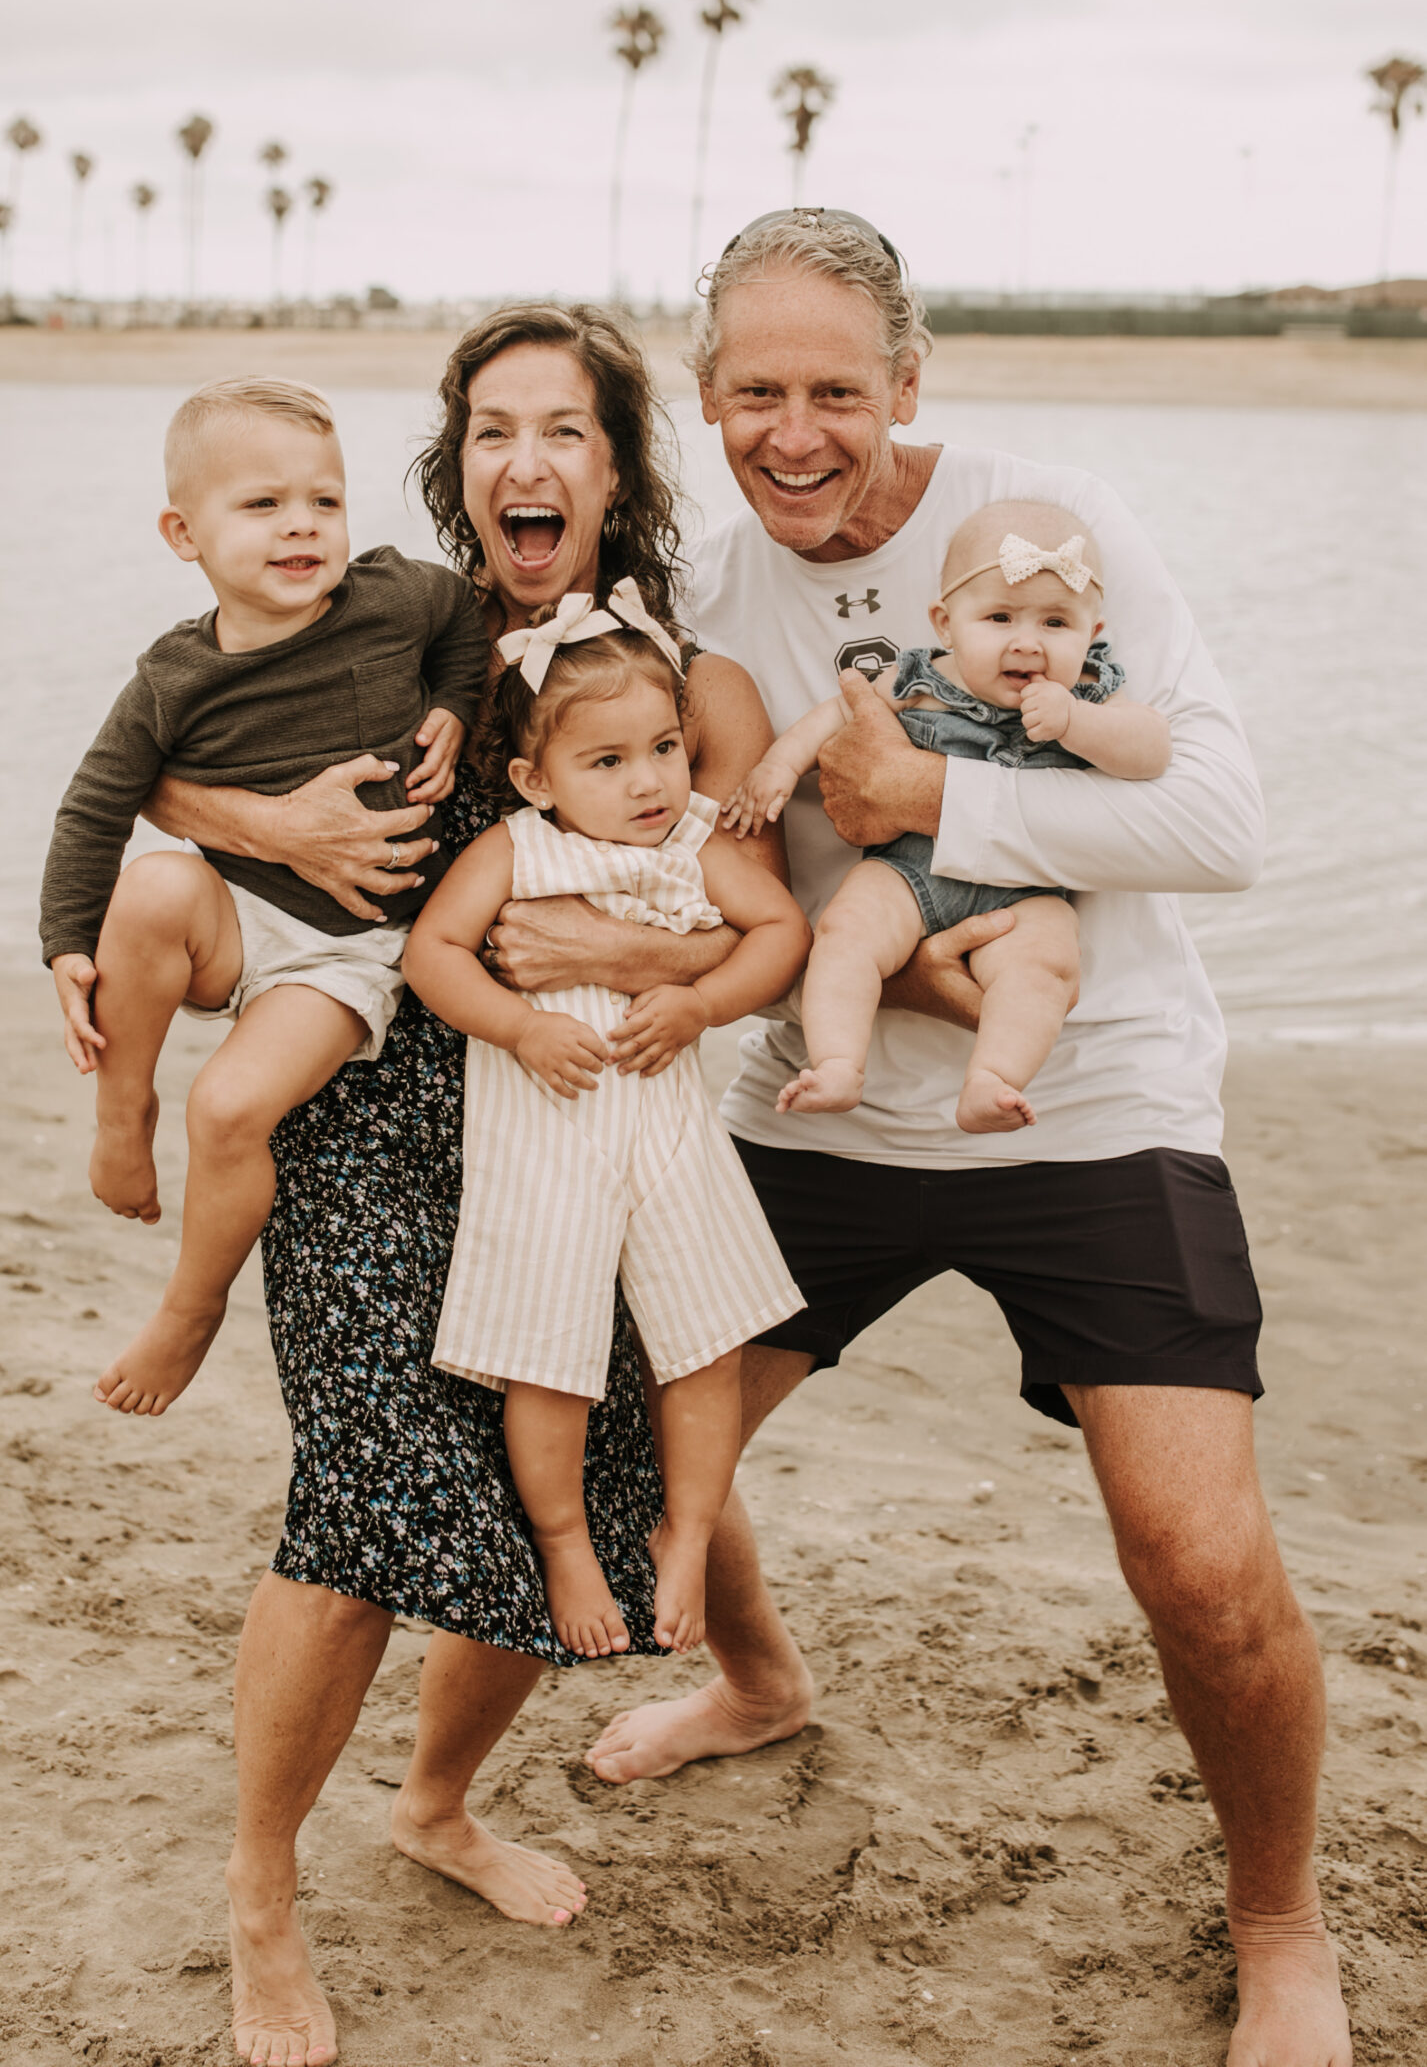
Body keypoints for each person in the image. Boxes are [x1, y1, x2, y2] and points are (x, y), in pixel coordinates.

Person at [582, 210, 1352, 2067]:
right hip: (823, 1100)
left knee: (1192, 1559)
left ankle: (1280, 1926)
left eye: (833, 391)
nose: (792, 431)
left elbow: (1224, 823)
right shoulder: (699, 588)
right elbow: (706, 853)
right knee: (625, 1444)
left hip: (1093, 1102)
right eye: (752, 392)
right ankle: (759, 1684)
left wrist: (929, 796)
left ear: (904, 388)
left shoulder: (1047, 521)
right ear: (702, 403)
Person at [51, 305, 803, 2067]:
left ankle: (436, 1804)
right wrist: (271, 833)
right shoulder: (402, 621)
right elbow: (155, 747)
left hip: (578, 1135)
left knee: (578, 1490)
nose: (522, 461)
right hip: (376, 1111)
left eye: (563, 430)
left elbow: (784, 917)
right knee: (364, 1498)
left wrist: (610, 946)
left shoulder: (688, 688)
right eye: (489, 429)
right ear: (453, 461)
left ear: (620, 466)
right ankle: (260, 1894)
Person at [39, 374, 489, 1417]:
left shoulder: (391, 598)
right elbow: (92, 809)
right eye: (263, 505)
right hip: (236, 916)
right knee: (151, 887)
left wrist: (456, 708)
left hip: (349, 951)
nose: (302, 526)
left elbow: (464, 617)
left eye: (323, 501)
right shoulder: (172, 678)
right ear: (182, 532)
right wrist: (66, 944)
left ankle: (191, 1308)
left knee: (232, 1105)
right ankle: (120, 1111)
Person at [406, 592, 809, 1658]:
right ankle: (567, 1537)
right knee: (549, 1355)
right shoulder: (511, 850)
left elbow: (780, 929)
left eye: (666, 747)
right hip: (547, 1140)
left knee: (706, 1339)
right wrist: (516, 1026)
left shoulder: (693, 840)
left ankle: (684, 1526)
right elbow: (431, 954)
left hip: (671, 1138)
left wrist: (704, 1002)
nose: (648, 780)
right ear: (539, 780)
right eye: (609, 761)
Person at [726, 497, 1170, 1130]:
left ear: (1092, 636)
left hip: (1026, 892)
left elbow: (1152, 749)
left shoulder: (1094, 692)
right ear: (945, 624)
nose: (1027, 643)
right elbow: (834, 717)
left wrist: (1080, 723)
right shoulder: (918, 679)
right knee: (846, 932)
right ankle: (836, 1063)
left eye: (1056, 624)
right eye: (999, 617)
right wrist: (777, 765)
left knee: (1045, 965)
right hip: (908, 871)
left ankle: (993, 1079)